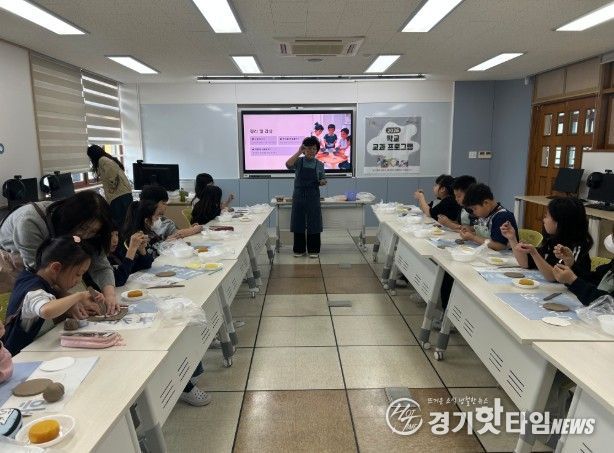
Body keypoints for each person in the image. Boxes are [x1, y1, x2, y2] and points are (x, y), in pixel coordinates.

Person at [0, 191, 118, 314]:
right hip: (11, 268)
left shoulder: (87, 233)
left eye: (93, 231)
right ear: (70, 219)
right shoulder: (30, 221)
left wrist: (110, 295)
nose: (85, 235)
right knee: (23, 312)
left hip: (45, 272)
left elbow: (101, 266)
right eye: (83, 228)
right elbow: (41, 273)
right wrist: (69, 300)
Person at [2, 236, 103, 355]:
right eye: (78, 274)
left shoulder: (39, 279)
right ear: (55, 268)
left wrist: (77, 305)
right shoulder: (33, 291)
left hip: (37, 347)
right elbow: (46, 310)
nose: (79, 280)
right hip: (18, 356)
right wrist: (79, 296)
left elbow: (53, 302)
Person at [500, 197, 592, 282]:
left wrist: (534, 253)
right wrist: (512, 238)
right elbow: (525, 263)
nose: (544, 220)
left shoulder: (576, 248)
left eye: (547, 216)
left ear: (560, 221)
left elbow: (554, 276)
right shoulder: (552, 241)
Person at [286, 136, 327, 258]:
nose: (311, 151)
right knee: (298, 222)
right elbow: (288, 164)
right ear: (304, 149)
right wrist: (299, 151)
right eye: (308, 148)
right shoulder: (299, 161)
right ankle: (299, 249)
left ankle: (314, 250)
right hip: (298, 196)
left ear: (317, 150)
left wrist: (322, 181)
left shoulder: (319, 164)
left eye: (314, 148)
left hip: (313, 196)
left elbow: (323, 178)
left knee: (314, 222)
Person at [553, 225, 614, 305]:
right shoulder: (609, 267)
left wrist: (573, 281)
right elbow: (593, 281)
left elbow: (607, 302)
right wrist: (572, 265)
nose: (611, 238)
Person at [85, 223, 153, 288]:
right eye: (110, 236)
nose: (115, 240)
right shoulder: (96, 259)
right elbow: (117, 280)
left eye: (116, 235)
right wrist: (132, 248)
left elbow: (143, 266)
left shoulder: (117, 253)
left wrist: (142, 249)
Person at [460, 183, 518, 251]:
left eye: (475, 208)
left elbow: (499, 246)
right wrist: (470, 229)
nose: (474, 212)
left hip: (506, 255)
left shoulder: (502, 217)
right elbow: (487, 228)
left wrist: (473, 237)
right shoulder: (487, 213)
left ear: (486, 203)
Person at [87, 145, 133, 228]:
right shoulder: (105, 158)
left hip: (118, 195)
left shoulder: (102, 160)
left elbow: (112, 172)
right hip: (123, 194)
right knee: (126, 221)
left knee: (119, 222)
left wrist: (112, 186)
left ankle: (122, 236)